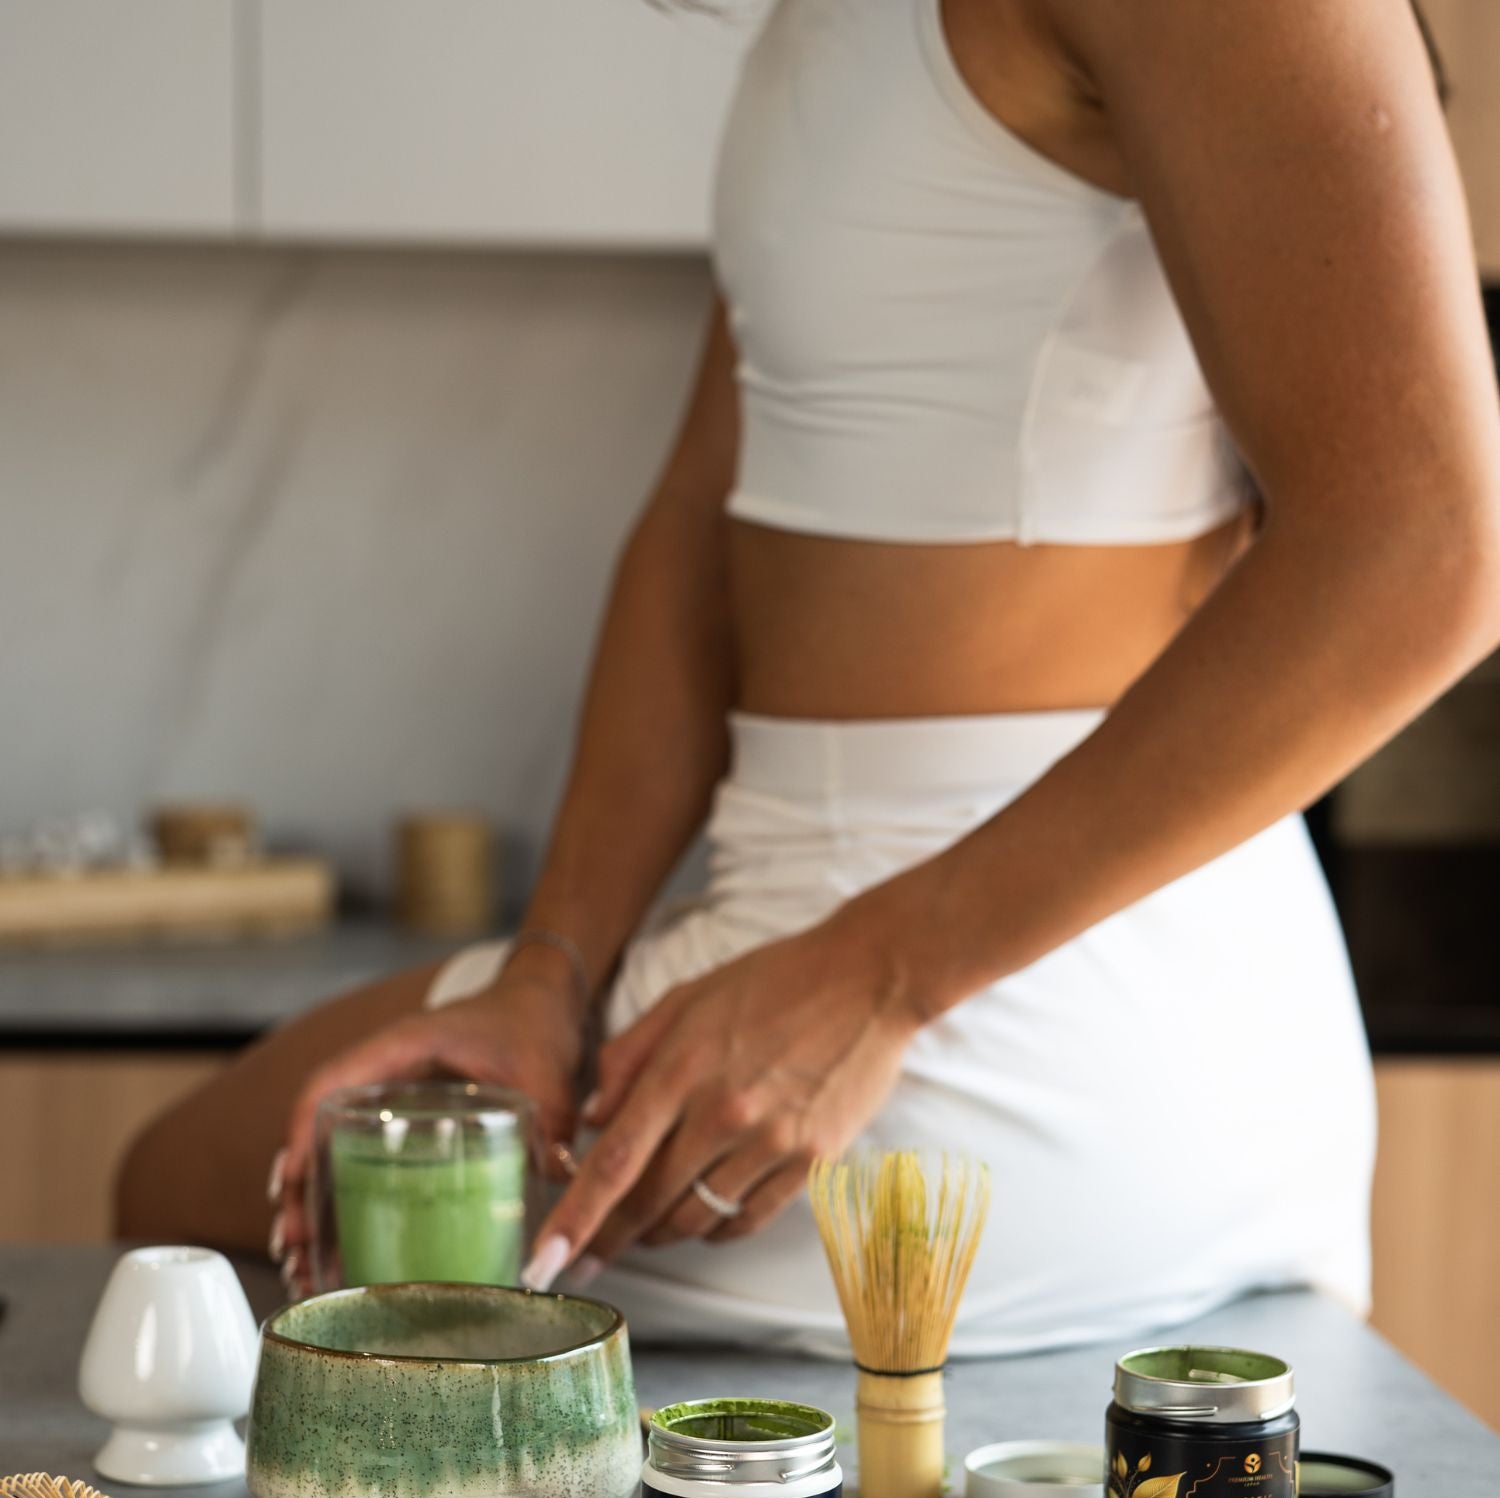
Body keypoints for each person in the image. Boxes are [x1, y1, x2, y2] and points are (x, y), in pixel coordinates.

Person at [120, 0, 1500, 1357]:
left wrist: (877, 978)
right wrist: (550, 967)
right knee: (199, 1186)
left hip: (1018, 1007)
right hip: (833, 936)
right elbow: (702, 526)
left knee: (204, 1196)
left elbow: (1432, 551)